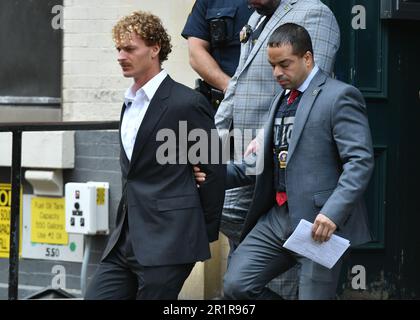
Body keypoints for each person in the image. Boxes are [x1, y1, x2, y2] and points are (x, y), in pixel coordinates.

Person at [195, 23, 374, 299]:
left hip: (321, 224)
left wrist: (332, 213)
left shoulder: (340, 96)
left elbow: (360, 161)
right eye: (273, 65)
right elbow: (253, 165)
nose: (277, 73)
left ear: (307, 58)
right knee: (235, 285)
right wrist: (207, 172)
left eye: (285, 64)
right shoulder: (279, 100)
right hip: (278, 218)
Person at [85, 11, 226, 300]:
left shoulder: (187, 103)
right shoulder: (129, 103)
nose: (121, 56)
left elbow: (213, 171)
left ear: (154, 49)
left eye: (130, 48)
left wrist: (201, 233)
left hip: (169, 241)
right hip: (125, 238)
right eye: (118, 49)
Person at [215, 0, 341, 299]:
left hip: (292, 176)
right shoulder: (257, 19)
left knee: (291, 277)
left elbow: (309, 92)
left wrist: (266, 138)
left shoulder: (315, 13)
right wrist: (209, 150)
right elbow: (236, 87)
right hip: (248, 159)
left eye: (282, 65)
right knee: (239, 272)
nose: (247, 2)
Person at [182, 0, 254, 109]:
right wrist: (231, 88)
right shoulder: (209, 2)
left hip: (271, 101)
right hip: (221, 104)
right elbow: (196, 53)